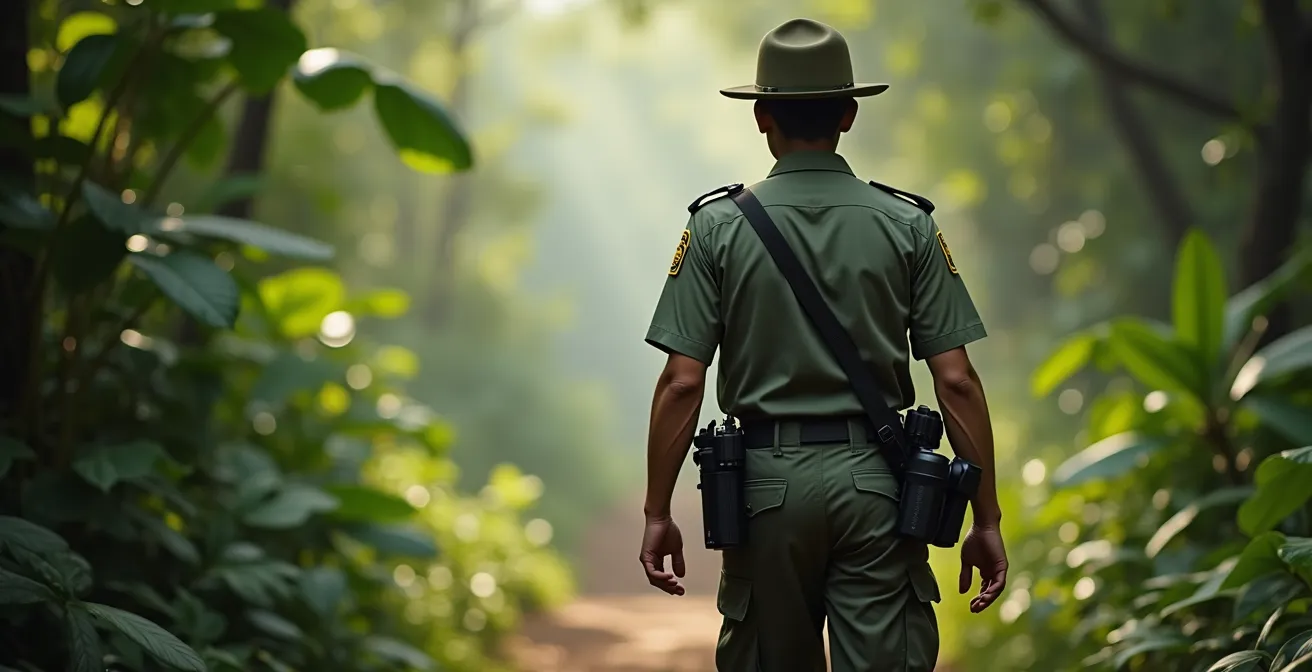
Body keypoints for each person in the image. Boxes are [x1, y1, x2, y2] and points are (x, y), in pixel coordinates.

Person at [637, 17, 1008, 672]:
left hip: (763, 488)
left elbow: (682, 382)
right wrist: (986, 520)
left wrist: (657, 511)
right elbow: (956, 380)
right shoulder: (907, 224)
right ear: (848, 114)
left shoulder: (717, 226)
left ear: (761, 116)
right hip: (879, 485)